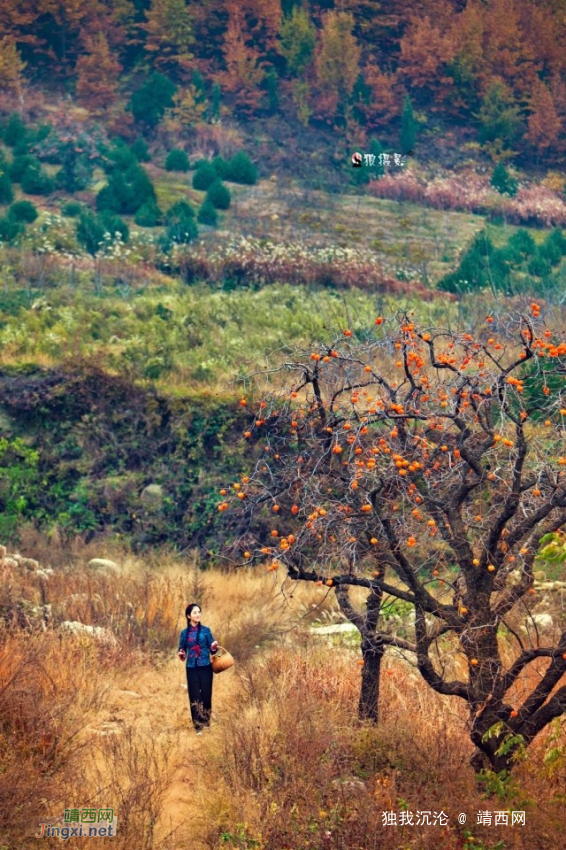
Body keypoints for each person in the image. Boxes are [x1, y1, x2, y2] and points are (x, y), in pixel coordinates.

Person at [177, 603, 218, 734]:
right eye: (195, 612)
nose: (198, 614)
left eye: (199, 612)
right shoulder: (184, 633)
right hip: (191, 667)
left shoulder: (206, 631)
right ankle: (198, 726)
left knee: (206, 695)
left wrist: (213, 647)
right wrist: (181, 654)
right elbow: (181, 649)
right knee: (194, 696)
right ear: (189, 616)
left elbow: (213, 650)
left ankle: (206, 721)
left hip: (206, 666)